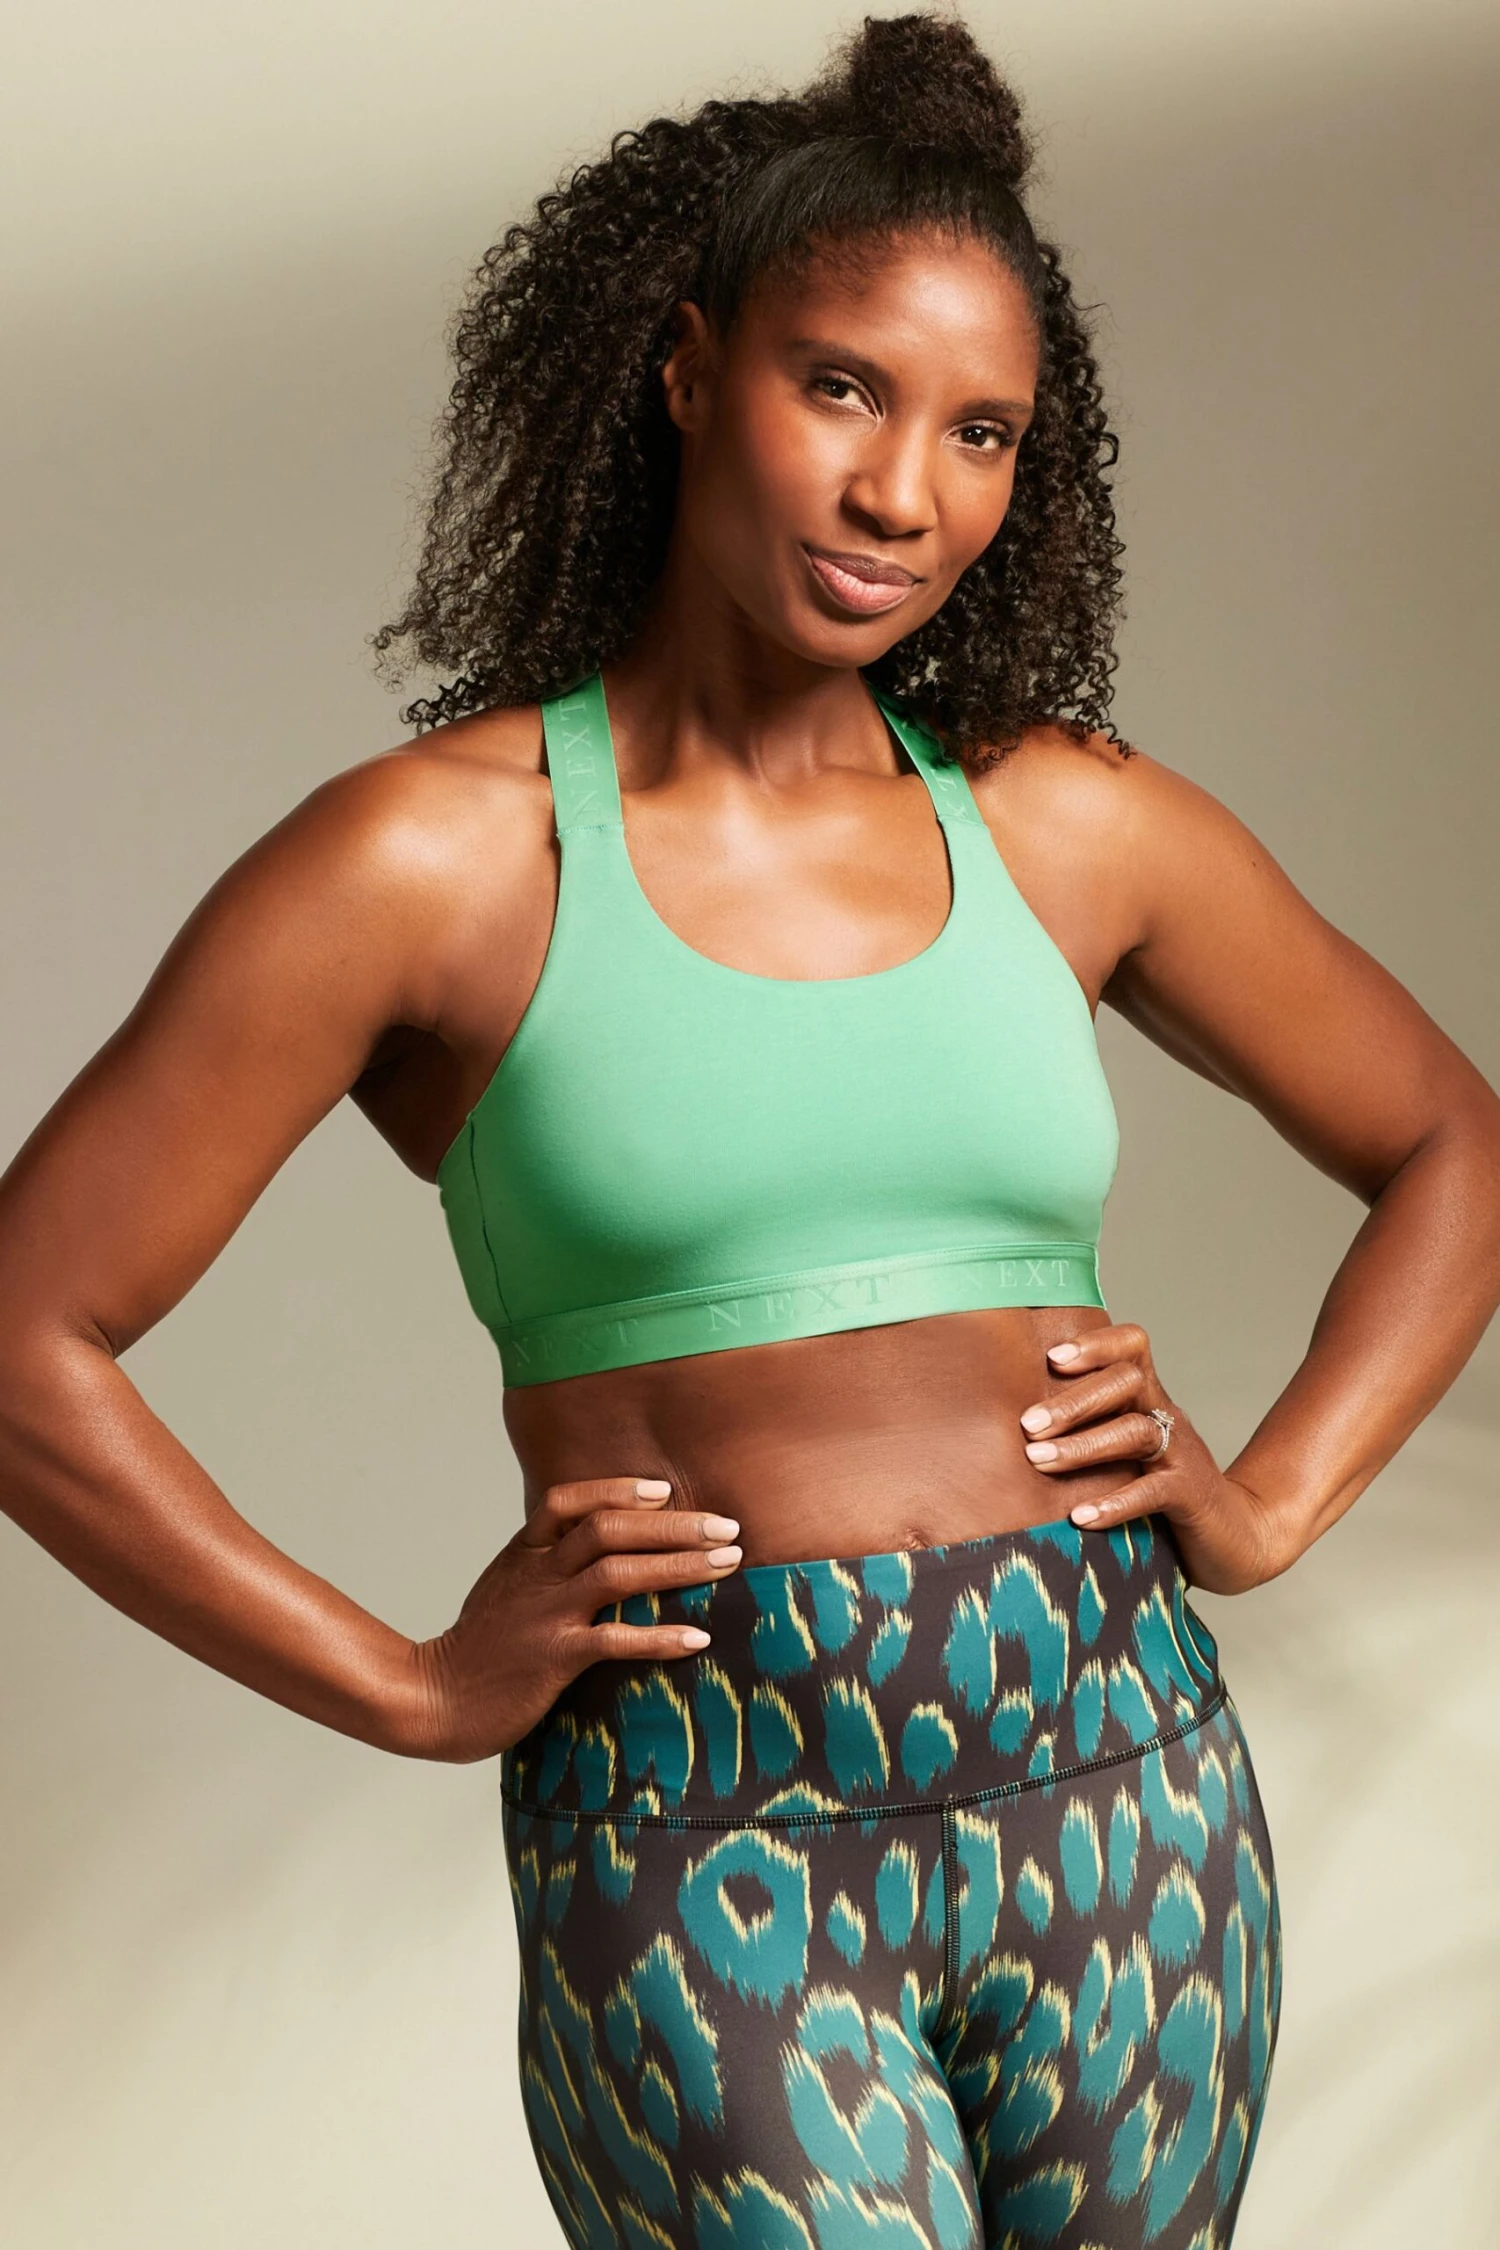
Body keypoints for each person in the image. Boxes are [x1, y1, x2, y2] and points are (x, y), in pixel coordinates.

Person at [1, 11, 1497, 2246]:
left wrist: (1269, 1502)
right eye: (844, 389)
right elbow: (27, 1333)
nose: (908, 495)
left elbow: (1457, 1143)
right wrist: (408, 1684)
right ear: (691, 370)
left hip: (1132, 1789)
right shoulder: (434, 863)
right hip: (704, 1837)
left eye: (983, 432)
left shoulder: (1069, 826)